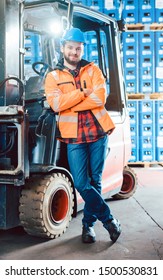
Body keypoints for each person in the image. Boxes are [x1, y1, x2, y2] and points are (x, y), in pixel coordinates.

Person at [45, 27, 121, 243]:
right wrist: (81, 94)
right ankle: (109, 220)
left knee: (95, 181)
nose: (74, 52)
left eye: (78, 48)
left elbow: (100, 99)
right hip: (74, 137)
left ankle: (88, 227)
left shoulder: (93, 69)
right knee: (81, 182)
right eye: (70, 47)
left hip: (98, 132)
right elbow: (56, 104)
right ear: (63, 48)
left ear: (82, 49)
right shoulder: (53, 76)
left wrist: (72, 103)